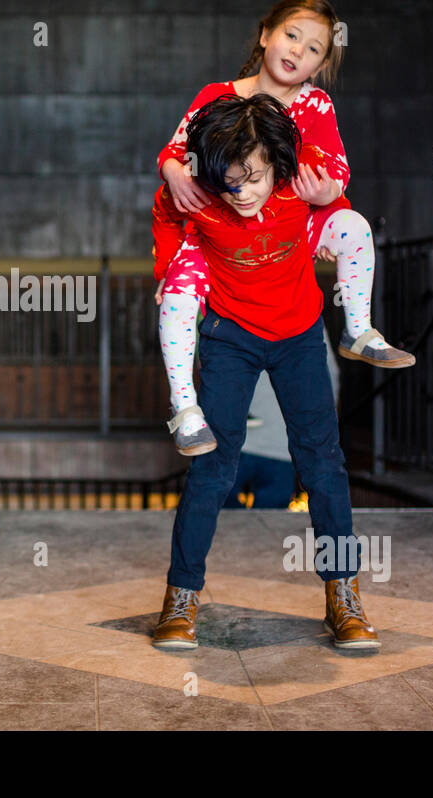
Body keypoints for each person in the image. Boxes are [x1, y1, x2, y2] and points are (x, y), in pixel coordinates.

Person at [149, 91, 379, 652]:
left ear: (276, 165)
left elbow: (342, 213)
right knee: (211, 469)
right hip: (230, 338)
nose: (242, 194)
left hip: (298, 335)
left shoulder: (297, 190)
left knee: (323, 465)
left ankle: (343, 596)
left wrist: (330, 211)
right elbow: (164, 213)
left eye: (252, 179)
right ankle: (181, 597)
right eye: (230, 182)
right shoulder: (200, 197)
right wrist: (166, 270)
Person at [155, 0, 413, 458]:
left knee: (354, 226)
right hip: (220, 239)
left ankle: (357, 328)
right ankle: (186, 409)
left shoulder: (316, 106)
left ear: (319, 65)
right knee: (175, 295)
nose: (298, 50)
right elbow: (175, 151)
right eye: (291, 36)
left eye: (313, 48)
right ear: (265, 35)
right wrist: (174, 171)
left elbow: (337, 172)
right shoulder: (218, 97)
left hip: (294, 231)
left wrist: (327, 195)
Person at [223, 326, 339, 511]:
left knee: (217, 506)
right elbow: (328, 378)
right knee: (270, 518)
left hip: (245, 439)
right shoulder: (309, 319)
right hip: (280, 443)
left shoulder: (243, 311)